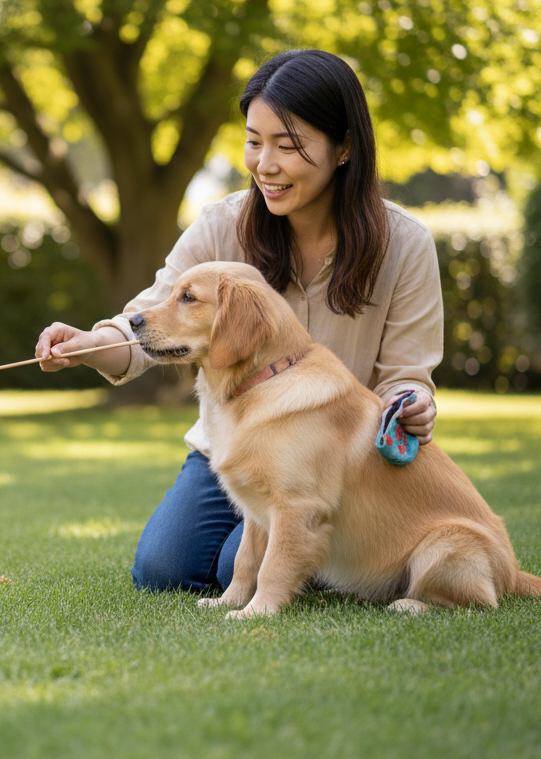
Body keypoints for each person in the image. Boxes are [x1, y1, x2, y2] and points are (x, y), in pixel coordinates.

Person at [34, 49, 444, 593]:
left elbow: (407, 377)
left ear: (344, 149)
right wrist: (90, 343)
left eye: (288, 146)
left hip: (330, 463)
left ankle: (322, 549)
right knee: (162, 571)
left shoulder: (405, 244)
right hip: (229, 445)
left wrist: (413, 402)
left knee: (239, 568)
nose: (265, 164)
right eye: (254, 141)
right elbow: (145, 325)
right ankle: (308, 556)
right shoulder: (222, 224)